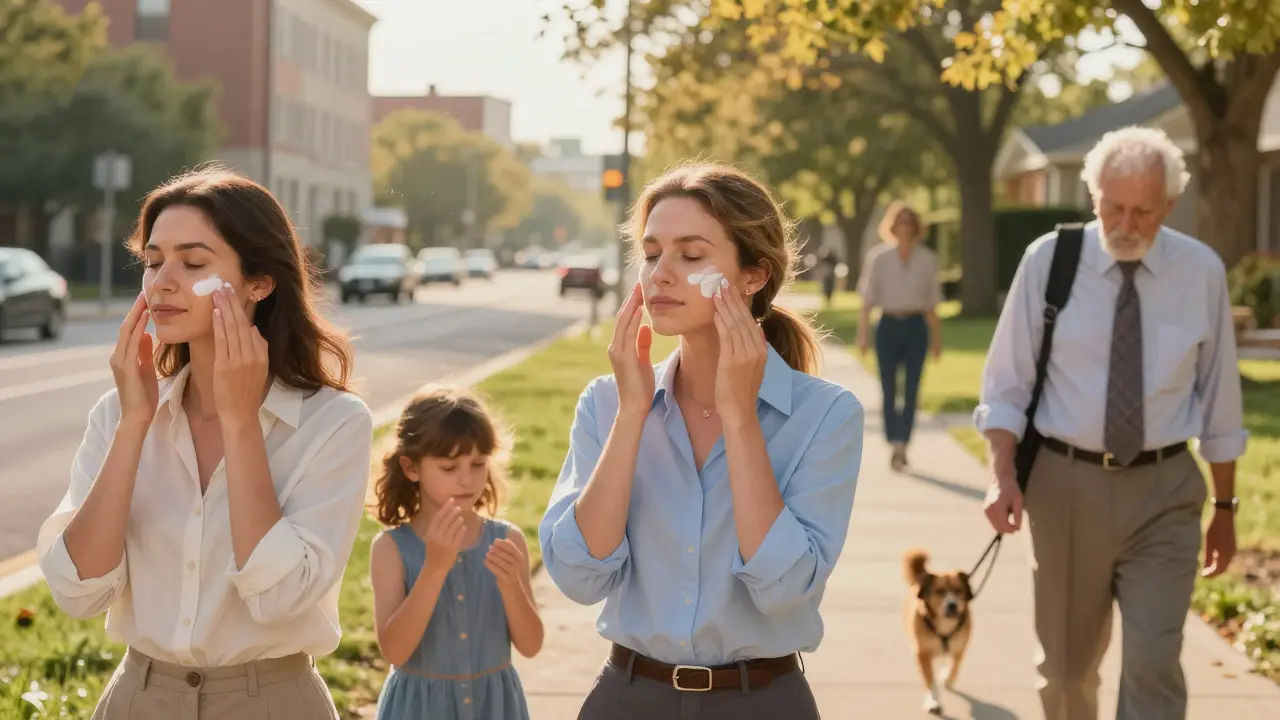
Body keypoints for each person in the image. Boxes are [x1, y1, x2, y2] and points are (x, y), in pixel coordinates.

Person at [35, 166, 374, 719]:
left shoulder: (333, 423)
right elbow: (78, 594)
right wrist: (133, 426)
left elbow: (280, 598)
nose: (162, 281)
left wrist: (242, 424)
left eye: (193, 263)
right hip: (138, 699)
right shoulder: (120, 413)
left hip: (273, 702)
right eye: (152, 261)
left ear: (259, 282)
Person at [539, 162, 865, 720]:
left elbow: (786, 590)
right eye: (650, 253)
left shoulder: (825, 415)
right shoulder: (608, 402)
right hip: (627, 698)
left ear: (752, 276)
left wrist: (741, 419)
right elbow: (577, 575)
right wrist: (634, 413)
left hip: (763, 703)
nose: (659, 274)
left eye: (691, 256)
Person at [977, 126, 1246, 720]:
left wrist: (1224, 512)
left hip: (1166, 489)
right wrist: (1002, 475)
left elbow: (1222, 402)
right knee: (1067, 671)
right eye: (1112, 207)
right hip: (1066, 487)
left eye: (1143, 211)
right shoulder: (1049, 261)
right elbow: (1005, 386)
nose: (1125, 224)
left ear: (1170, 205)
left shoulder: (1200, 271)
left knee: (1154, 662)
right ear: (1093, 194)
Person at [369, 386, 541, 720]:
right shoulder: (391, 549)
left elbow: (531, 646)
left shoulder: (507, 540)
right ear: (411, 468)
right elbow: (396, 651)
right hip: (419, 709)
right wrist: (434, 570)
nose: (467, 480)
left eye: (478, 464)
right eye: (449, 468)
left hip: (495, 708)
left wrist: (510, 587)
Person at [855, 202, 943, 472]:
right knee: (889, 388)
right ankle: (894, 443)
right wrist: (863, 335)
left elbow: (932, 305)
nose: (904, 227)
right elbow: (867, 301)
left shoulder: (928, 259)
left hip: (916, 327)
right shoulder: (879, 257)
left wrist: (936, 340)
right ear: (892, 226)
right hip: (888, 326)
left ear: (916, 227)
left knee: (912, 389)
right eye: (900, 222)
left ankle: (903, 444)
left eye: (909, 222)